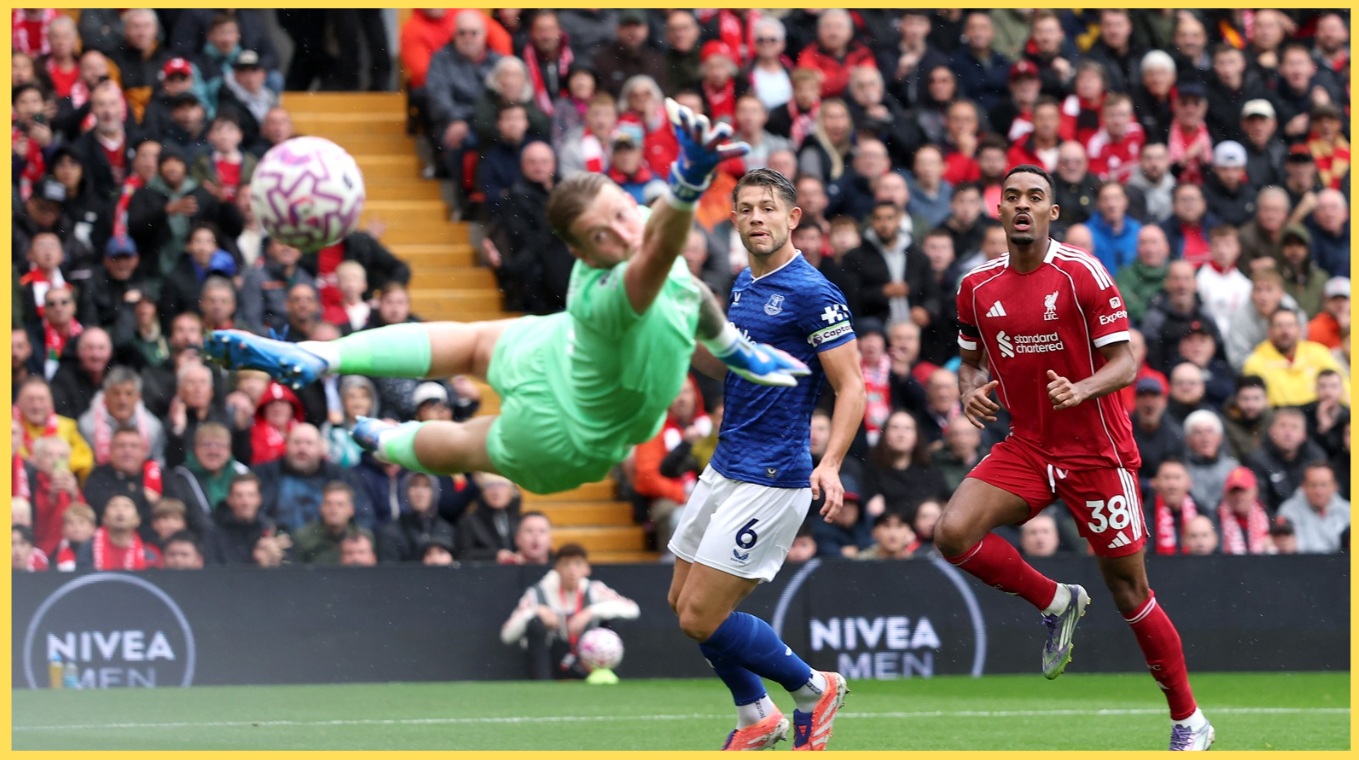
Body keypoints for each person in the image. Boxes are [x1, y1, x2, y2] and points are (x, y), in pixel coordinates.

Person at [207, 100, 805, 496]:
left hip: (557, 350)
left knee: (471, 343)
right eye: (603, 235)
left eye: (623, 214)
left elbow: (687, 284)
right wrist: (689, 179)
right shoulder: (611, 293)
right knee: (469, 444)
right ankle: (387, 439)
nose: (624, 232)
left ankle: (322, 356)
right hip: (567, 433)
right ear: (584, 255)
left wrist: (734, 349)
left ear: (629, 201)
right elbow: (658, 258)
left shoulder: (642, 229)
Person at [940, 165, 1213, 750]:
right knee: (953, 532)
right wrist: (968, 390)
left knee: (1129, 591)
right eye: (1012, 196)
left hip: (1097, 453)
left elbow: (1126, 363)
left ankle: (1188, 719)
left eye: (1035, 197)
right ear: (999, 210)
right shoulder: (975, 287)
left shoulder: (1081, 274)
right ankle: (1055, 600)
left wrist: (1082, 388)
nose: (1022, 206)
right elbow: (969, 360)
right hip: (1030, 446)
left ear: (1051, 213)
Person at [663, 167, 862, 751]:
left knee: (701, 616)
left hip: (773, 476)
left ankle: (812, 686)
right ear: (734, 219)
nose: (757, 218)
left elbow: (852, 387)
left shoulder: (813, 292)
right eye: (746, 208)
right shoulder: (745, 286)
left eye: (767, 208)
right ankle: (758, 714)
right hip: (726, 465)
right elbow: (729, 366)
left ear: (792, 217)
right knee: (681, 603)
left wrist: (830, 464)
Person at [500, 543, 640, 680]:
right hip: (553, 658)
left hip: (588, 659)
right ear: (557, 568)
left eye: (578, 564)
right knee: (535, 624)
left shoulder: (594, 589)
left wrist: (589, 612)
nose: (572, 570)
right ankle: (542, 685)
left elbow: (632, 609)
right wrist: (537, 611)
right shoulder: (539, 592)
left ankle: (607, 679)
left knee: (614, 622)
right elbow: (507, 635)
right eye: (566, 564)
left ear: (586, 569)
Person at [1277, 463, 1350, 554]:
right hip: (1303, 565)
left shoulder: (1349, 511)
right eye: (1313, 485)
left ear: (1335, 486)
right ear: (1303, 486)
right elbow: (1289, 546)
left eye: (1324, 485)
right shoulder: (1288, 511)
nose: (1318, 491)